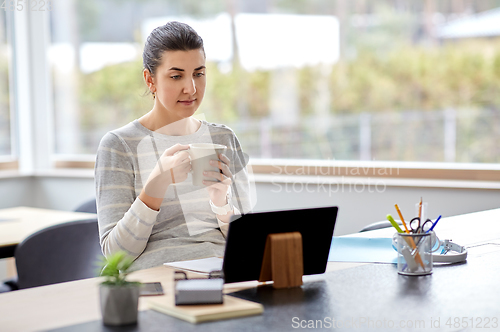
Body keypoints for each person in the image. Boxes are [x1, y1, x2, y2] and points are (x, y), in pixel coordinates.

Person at [95, 21, 254, 271]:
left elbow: (250, 244)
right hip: (156, 279)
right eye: (176, 76)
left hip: (222, 273)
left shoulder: (222, 139)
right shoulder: (119, 146)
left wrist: (221, 204)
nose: (191, 88)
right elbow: (115, 256)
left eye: (198, 74)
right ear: (150, 79)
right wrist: (155, 187)